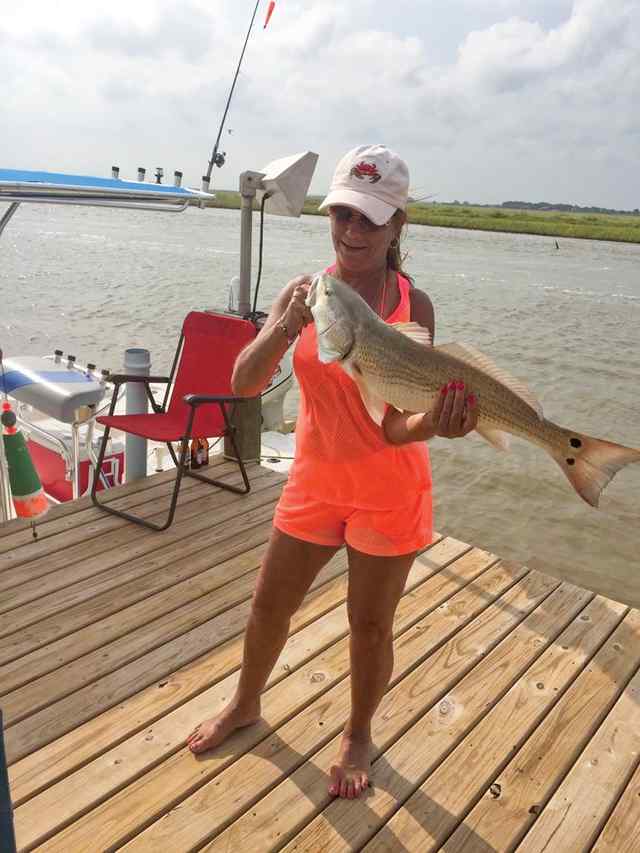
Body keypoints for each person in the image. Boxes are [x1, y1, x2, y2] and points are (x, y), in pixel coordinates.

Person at [187, 144, 478, 799]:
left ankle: (357, 732)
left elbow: (396, 424)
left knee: (369, 625)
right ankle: (245, 702)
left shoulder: (414, 304)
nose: (352, 230)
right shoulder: (305, 291)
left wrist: (437, 422)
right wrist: (284, 324)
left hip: (389, 489)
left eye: (370, 219)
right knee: (268, 604)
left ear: (398, 224)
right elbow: (243, 382)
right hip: (315, 481)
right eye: (342, 212)